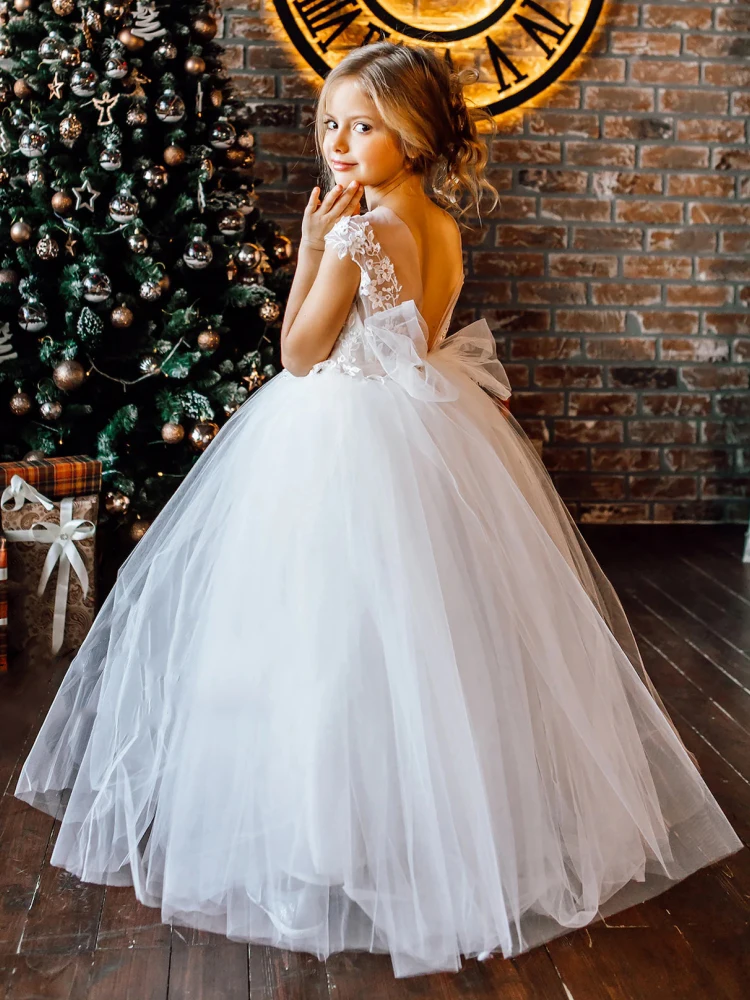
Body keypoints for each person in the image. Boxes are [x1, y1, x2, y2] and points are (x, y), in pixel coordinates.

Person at [15, 41, 743, 980]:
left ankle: (329, 836)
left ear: (415, 132)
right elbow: (427, 334)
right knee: (431, 639)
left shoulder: (359, 235)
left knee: (327, 634)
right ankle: (435, 826)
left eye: (364, 125)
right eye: (332, 123)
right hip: (435, 439)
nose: (339, 143)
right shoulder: (440, 225)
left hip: (343, 439)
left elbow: (300, 355)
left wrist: (315, 248)